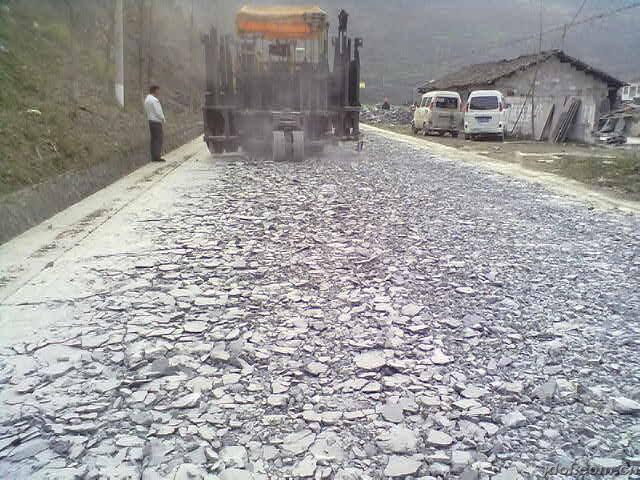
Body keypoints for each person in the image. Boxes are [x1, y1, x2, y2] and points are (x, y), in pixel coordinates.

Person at [144, 85, 166, 162]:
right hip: (156, 122)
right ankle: (157, 156)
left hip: (150, 121)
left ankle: (153, 156)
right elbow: (158, 111)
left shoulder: (147, 99)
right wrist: (163, 118)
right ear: (155, 90)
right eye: (158, 90)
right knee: (158, 139)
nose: (159, 92)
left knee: (153, 139)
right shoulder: (154, 100)